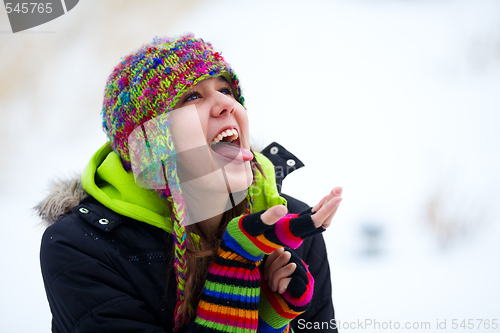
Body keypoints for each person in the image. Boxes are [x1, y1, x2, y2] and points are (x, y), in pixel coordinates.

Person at [37, 35, 342, 333]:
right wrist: (235, 274)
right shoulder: (81, 247)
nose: (226, 104)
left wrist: (271, 320)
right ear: (152, 145)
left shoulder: (290, 224)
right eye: (192, 96)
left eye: (226, 89)